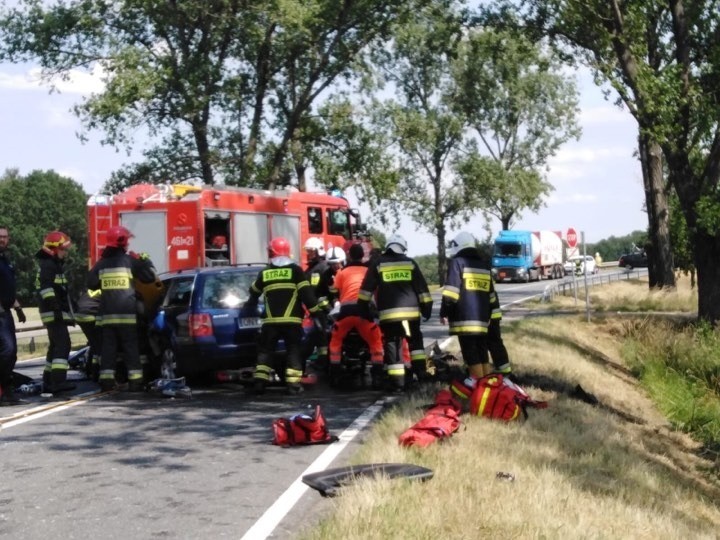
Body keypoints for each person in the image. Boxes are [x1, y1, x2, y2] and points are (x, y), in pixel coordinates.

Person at [242, 237, 323, 395]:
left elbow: (253, 293)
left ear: (273, 252)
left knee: (265, 351)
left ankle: (260, 383)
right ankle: (293, 386)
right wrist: (317, 314)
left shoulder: (265, 273)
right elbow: (307, 296)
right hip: (292, 321)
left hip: (270, 322)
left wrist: (249, 306)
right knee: (293, 350)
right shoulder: (296, 271)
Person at [87, 225, 158, 392]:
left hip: (108, 317)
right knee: (131, 349)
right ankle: (136, 383)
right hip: (127, 316)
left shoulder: (101, 264)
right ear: (123, 242)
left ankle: (106, 383)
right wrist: (143, 261)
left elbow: (90, 284)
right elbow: (149, 278)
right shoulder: (130, 261)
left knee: (108, 350)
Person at [357, 234, 432, 391]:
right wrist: (426, 309)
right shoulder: (410, 263)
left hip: (389, 317)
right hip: (411, 316)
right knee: (415, 343)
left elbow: (365, 292)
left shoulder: (378, 264)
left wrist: (364, 310)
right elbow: (423, 291)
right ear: (402, 248)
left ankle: (397, 383)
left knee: (393, 344)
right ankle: (421, 375)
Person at [439, 231, 498, 379]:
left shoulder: (457, 263)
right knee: (482, 351)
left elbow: (451, 294)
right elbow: (491, 296)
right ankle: (488, 383)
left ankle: (478, 384)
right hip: (482, 320)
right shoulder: (484, 266)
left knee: (470, 352)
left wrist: (444, 312)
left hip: (464, 319)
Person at [327, 243, 384, 383]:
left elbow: (334, 290)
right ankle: (377, 375)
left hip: (345, 313)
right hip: (363, 313)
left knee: (336, 339)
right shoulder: (369, 271)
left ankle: (335, 372)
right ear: (362, 256)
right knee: (375, 340)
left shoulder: (342, 272)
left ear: (349, 256)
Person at [36, 230, 77, 396]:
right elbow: (46, 289)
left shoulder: (53, 265)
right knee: (63, 345)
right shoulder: (49, 265)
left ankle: (48, 380)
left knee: (55, 347)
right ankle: (58, 382)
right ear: (54, 249)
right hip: (53, 313)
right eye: (63, 249)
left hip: (54, 312)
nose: (65, 252)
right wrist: (56, 308)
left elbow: (61, 290)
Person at [0, 225, 27, 405]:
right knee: (7, 350)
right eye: (0, 237)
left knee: (12, 353)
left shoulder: (5, 260)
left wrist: (18, 308)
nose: (3, 240)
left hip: (6, 312)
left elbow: (7, 288)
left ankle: (6, 390)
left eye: (5, 237)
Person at [303, 236, 331, 368]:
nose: (308, 254)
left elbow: (320, 289)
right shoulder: (312, 268)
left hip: (323, 309)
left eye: (311, 251)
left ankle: (324, 359)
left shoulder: (323, 267)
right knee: (318, 335)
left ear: (318, 250)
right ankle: (322, 358)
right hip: (314, 309)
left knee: (322, 334)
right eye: (308, 251)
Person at [74, 288, 102, 381]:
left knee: (94, 344)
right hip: (90, 315)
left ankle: (91, 371)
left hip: (80, 316)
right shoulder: (105, 290)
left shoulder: (91, 289)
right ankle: (98, 372)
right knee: (99, 346)